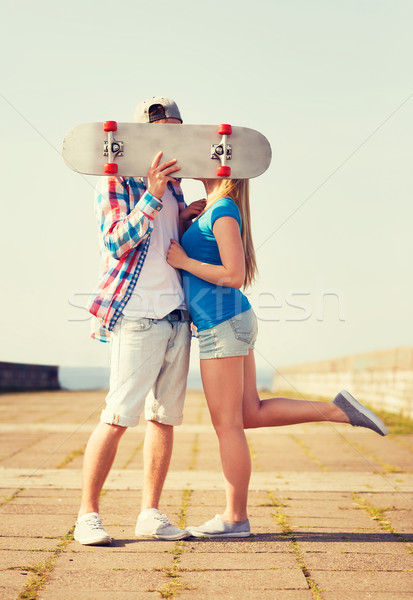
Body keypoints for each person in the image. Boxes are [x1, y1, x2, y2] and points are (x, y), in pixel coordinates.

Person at [166, 177, 388, 538]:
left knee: (228, 426)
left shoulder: (222, 209)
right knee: (249, 414)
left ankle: (235, 519)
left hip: (221, 324)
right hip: (229, 321)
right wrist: (184, 222)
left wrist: (185, 261)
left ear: (226, 167)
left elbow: (233, 275)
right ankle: (337, 410)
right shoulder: (212, 209)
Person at [74, 97, 206, 545]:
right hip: (136, 317)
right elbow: (116, 242)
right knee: (116, 416)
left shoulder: (175, 188)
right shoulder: (116, 182)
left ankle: (149, 513)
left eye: (177, 130)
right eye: (162, 130)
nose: (171, 138)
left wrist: (184, 216)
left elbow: (166, 243)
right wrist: (150, 194)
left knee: (164, 419)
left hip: (176, 316)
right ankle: (87, 515)